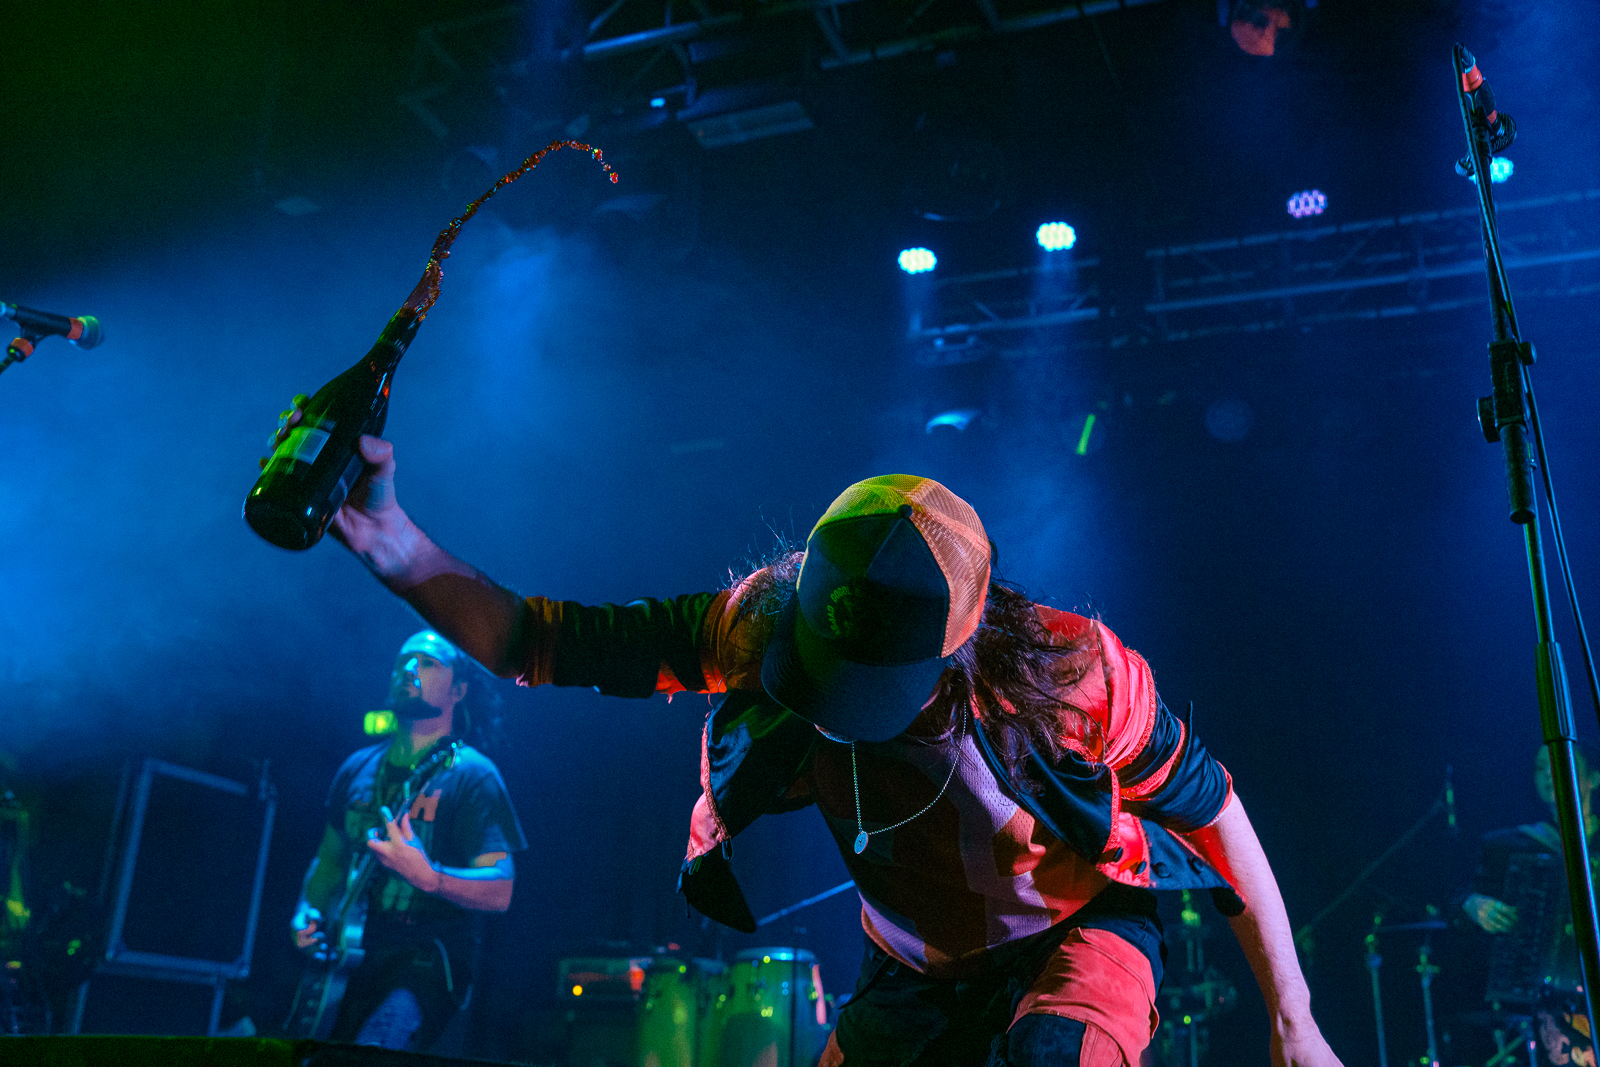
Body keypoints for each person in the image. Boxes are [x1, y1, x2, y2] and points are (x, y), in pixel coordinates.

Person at [273, 411, 1343, 1066]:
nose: (837, 706)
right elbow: (543, 640)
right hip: (909, 962)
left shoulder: (1070, 676)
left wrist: (1292, 1015)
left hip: (1072, 931)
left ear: (960, 644)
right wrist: (395, 545)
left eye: (875, 687)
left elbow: (1216, 815)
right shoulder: (758, 623)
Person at [291, 629, 527, 1051]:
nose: (410, 669)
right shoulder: (356, 768)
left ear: (458, 690)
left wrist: (430, 877)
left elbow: (501, 890)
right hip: (349, 959)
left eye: (428, 663)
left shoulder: (473, 775)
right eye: (403, 661)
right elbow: (329, 860)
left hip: (424, 960)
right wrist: (307, 911)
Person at [1462, 745, 1600, 1067]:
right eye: (1540, 767)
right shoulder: (1513, 845)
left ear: (1594, 778)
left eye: (1560, 762)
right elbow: (1460, 900)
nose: (1550, 772)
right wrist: (1473, 904)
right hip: (1553, 1010)